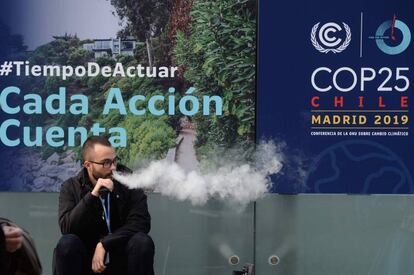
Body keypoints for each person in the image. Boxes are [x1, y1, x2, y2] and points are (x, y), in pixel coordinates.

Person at [54, 136, 154, 275]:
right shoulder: (70, 187)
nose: (113, 167)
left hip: (121, 261)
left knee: (142, 242)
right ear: (88, 165)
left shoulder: (129, 182)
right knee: (67, 243)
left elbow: (141, 223)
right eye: (106, 163)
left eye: (114, 161)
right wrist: (93, 196)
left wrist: (104, 244)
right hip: (87, 263)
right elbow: (67, 228)